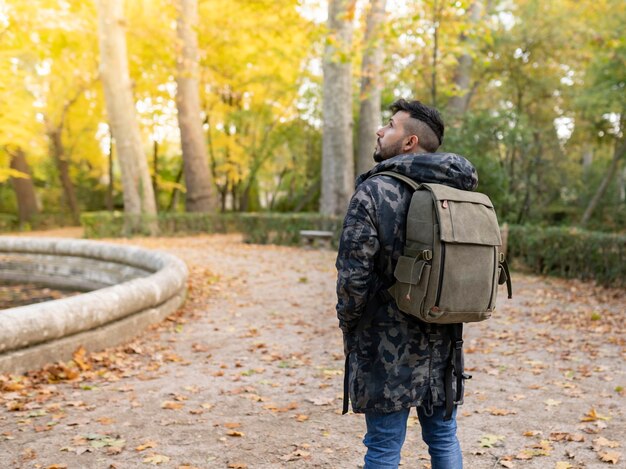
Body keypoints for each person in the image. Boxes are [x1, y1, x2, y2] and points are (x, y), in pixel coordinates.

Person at [335, 99, 478, 469]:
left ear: (410, 141)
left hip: (384, 343)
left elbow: (353, 276)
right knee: (444, 438)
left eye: (391, 125)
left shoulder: (374, 191)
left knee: (383, 447)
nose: (380, 130)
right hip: (444, 335)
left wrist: (349, 322)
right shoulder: (460, 192)